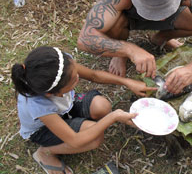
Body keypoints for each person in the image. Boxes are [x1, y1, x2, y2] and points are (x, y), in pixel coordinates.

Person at [11, 46, 156, 174]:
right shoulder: (38, 105)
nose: (78, 77)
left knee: (102, 107)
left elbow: (93, 75)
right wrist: (113, 117)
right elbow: (75, 141)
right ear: (52, 93)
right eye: (73, 80)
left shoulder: (60, 65)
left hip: (66, 107)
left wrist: (127, 82)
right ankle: (45, 152)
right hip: (43, 129)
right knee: (94, 138)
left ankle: (79, 124)